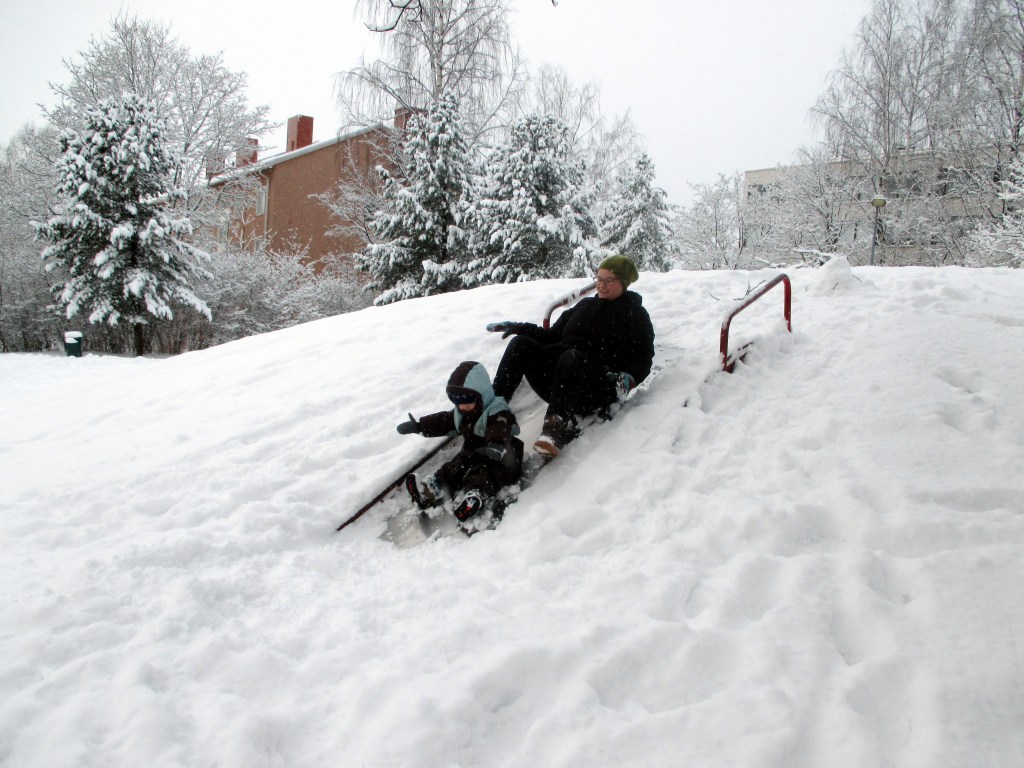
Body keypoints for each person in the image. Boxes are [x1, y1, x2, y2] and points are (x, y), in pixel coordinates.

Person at [490, 254, 655, 456]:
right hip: (559, 381)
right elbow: (551, 336)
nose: (601, 285)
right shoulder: (583, 306)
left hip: (593, 387)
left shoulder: (636, 314)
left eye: (608, 281)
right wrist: (519, 327)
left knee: (573, 357)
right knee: (520, 344)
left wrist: (629, 377)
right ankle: (494, 410)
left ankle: (554, 429)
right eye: (598, 279)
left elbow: (644, 356)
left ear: (623, 282)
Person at [397, 360, 524, 521]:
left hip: (503, 456)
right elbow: (443, 421)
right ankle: (430, 489)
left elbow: (499, 427)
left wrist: (495, 445)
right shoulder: (461, 413)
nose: (462, 408)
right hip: (472, 451)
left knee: (484, 474)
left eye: (467, 404)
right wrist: (420, 426)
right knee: (453, 468)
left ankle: (475, 496)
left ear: (481, 397)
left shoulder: (497, 410)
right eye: (458, 405)